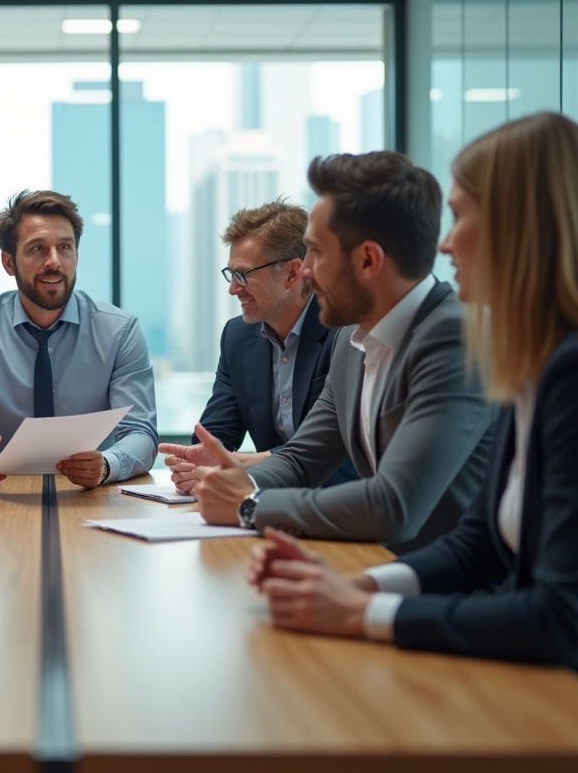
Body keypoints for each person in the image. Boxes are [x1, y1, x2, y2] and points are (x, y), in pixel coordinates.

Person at [248, 111, 578, 667]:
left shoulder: (560, 373)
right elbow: (481, 546)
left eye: (461, 217)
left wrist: (361, 613)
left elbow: (561, 616)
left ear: (519, 231)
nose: (445, 244)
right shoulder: (532, 366)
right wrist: (361, 589)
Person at [180, 152, 496, 552]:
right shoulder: (352, 341)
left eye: (317, 252)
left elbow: (392, 504)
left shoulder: (456, 339)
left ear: (367, 260)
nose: (306, 271)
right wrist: (240, 482)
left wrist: (250, 504)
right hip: (376, 565)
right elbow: (300, 461)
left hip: (452, 589)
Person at [0, 189, 158, 491]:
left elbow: (141, 433)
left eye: (64, 247)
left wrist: (107, 465)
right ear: (9, 262)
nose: (54, 261)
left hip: (91, 494)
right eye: (37, 249)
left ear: (76, 255)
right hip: (2, 493)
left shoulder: (120, 331)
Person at [160, 199, 356, 488]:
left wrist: (243, 464)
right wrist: (197, 463)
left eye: (244, 274)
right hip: (266, 505)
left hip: (337, 506)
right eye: (230, 274)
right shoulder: (236, 336)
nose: (232, 288)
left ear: (292, 273)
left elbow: (336, 453)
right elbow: (216, 434)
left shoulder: (346, 333)